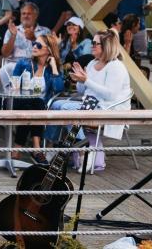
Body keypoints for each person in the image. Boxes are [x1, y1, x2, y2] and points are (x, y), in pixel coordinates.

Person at [51, 29, 132, 170]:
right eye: (92, 43)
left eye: (95, 43)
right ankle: (56, 145)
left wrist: (86, 80)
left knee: (65, 109)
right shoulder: (92, 63)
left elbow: (110, 95)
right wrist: (80, 80)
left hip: (108, 108)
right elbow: (84, 91)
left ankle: (82, 148)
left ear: (106, 46)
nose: (91, 46)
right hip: (90, 104)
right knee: (55, 104)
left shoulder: (116, 67)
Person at [10, 34, 65, 164]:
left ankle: (17, 148)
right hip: (20, 102)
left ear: (49, 50)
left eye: (39, 45)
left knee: (37, 103)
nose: (34, 46)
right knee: (35, 104)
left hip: (39, 106)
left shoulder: (51, 69)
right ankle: (36, 148)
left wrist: (55, 68)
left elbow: (58, 89)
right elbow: (14, 84)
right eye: (34, 43)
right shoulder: (23, 63)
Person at [2, 2, 51, 67]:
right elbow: (5, 54)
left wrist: (33, 39)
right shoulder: (11, 30)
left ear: (36, 16)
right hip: (15, 64)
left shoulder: (45, 31)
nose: (25, 16)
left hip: (36, 65)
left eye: (29, 14)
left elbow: (49, 52)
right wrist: (13, 36)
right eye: (23, 14)